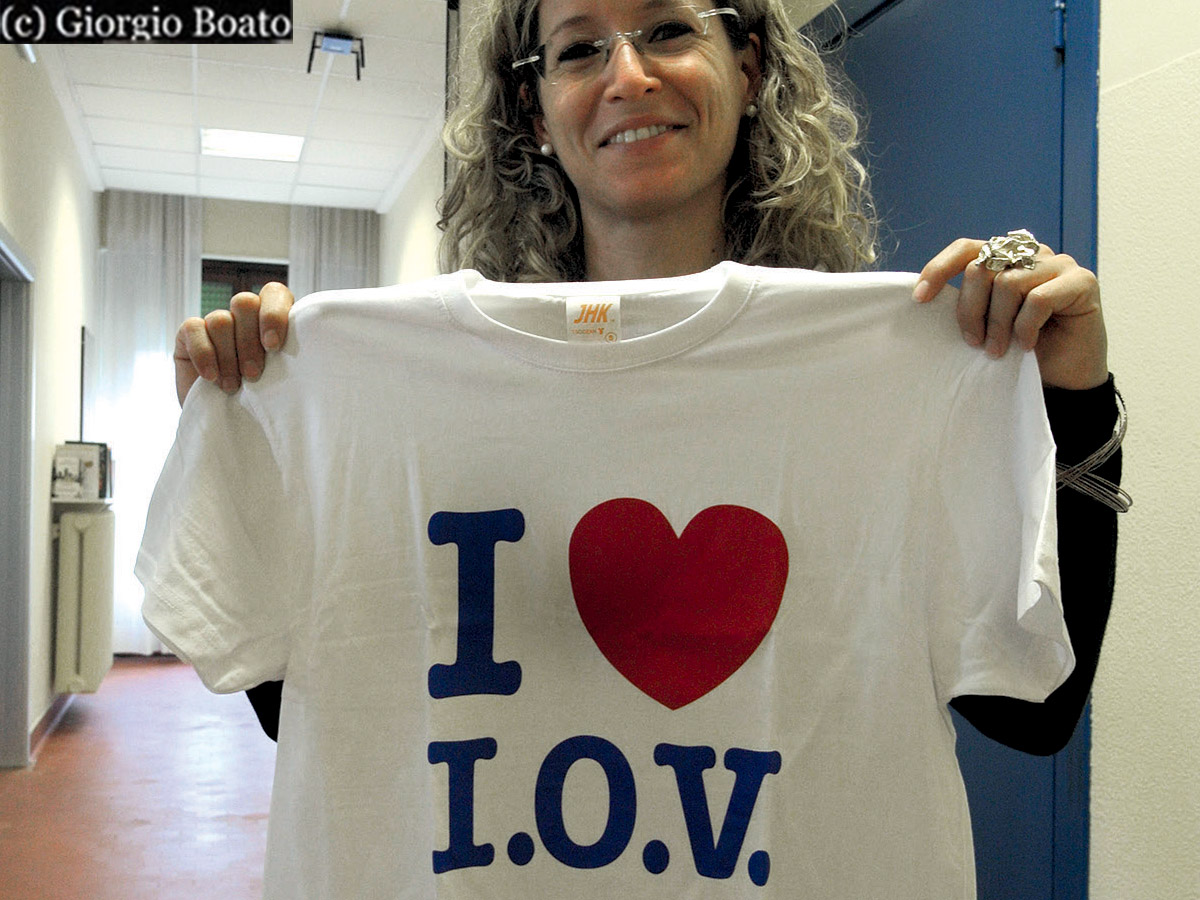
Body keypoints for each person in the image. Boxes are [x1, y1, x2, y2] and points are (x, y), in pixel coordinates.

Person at [148, 0, 1124, 895]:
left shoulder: (893, 371)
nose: (628, 75)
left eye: (668, 30)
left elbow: (1034, 712)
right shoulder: (372, 376)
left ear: (748, 67)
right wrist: (253, 438)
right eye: (579, 49)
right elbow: (311, 700)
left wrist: (1074, 399)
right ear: (533, 110)